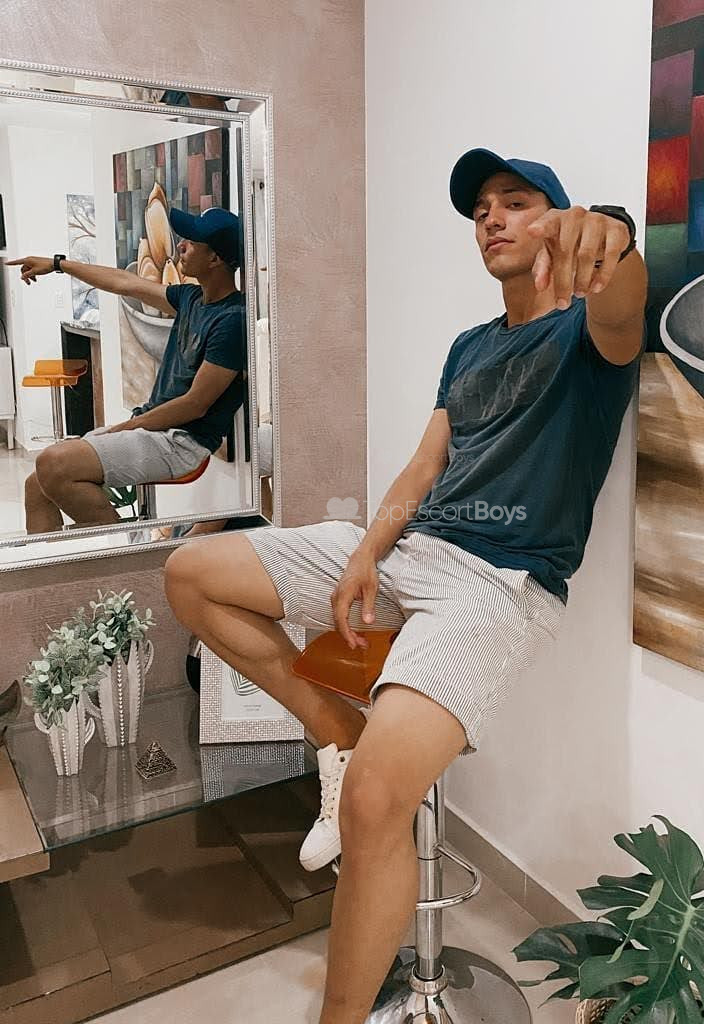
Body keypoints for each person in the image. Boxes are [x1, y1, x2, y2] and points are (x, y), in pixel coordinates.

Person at [162, 147, 648, 1024]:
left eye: (515, 202)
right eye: (480, 210)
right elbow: (424, 467)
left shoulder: (590, 335)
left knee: (376, 802)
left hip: (498, 584)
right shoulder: (469, 346)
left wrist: (610, 238)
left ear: (557, 219)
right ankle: (337, 731)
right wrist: (364, 554)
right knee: (191, 573)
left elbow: (623, 299)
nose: (491, 218)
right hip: (411, 552)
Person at [7, 207, 246, 534]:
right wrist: (58, 264)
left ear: (215, 258)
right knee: (36, 485)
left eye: (191, 243)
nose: (180, 246)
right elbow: (124, 282)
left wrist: (131, 425)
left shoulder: (232, 320)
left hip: (183, 442)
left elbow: (196, 404)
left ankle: (126, 554)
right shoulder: (191, 299)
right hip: (155, 429)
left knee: (53, 464)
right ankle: (58, 569)